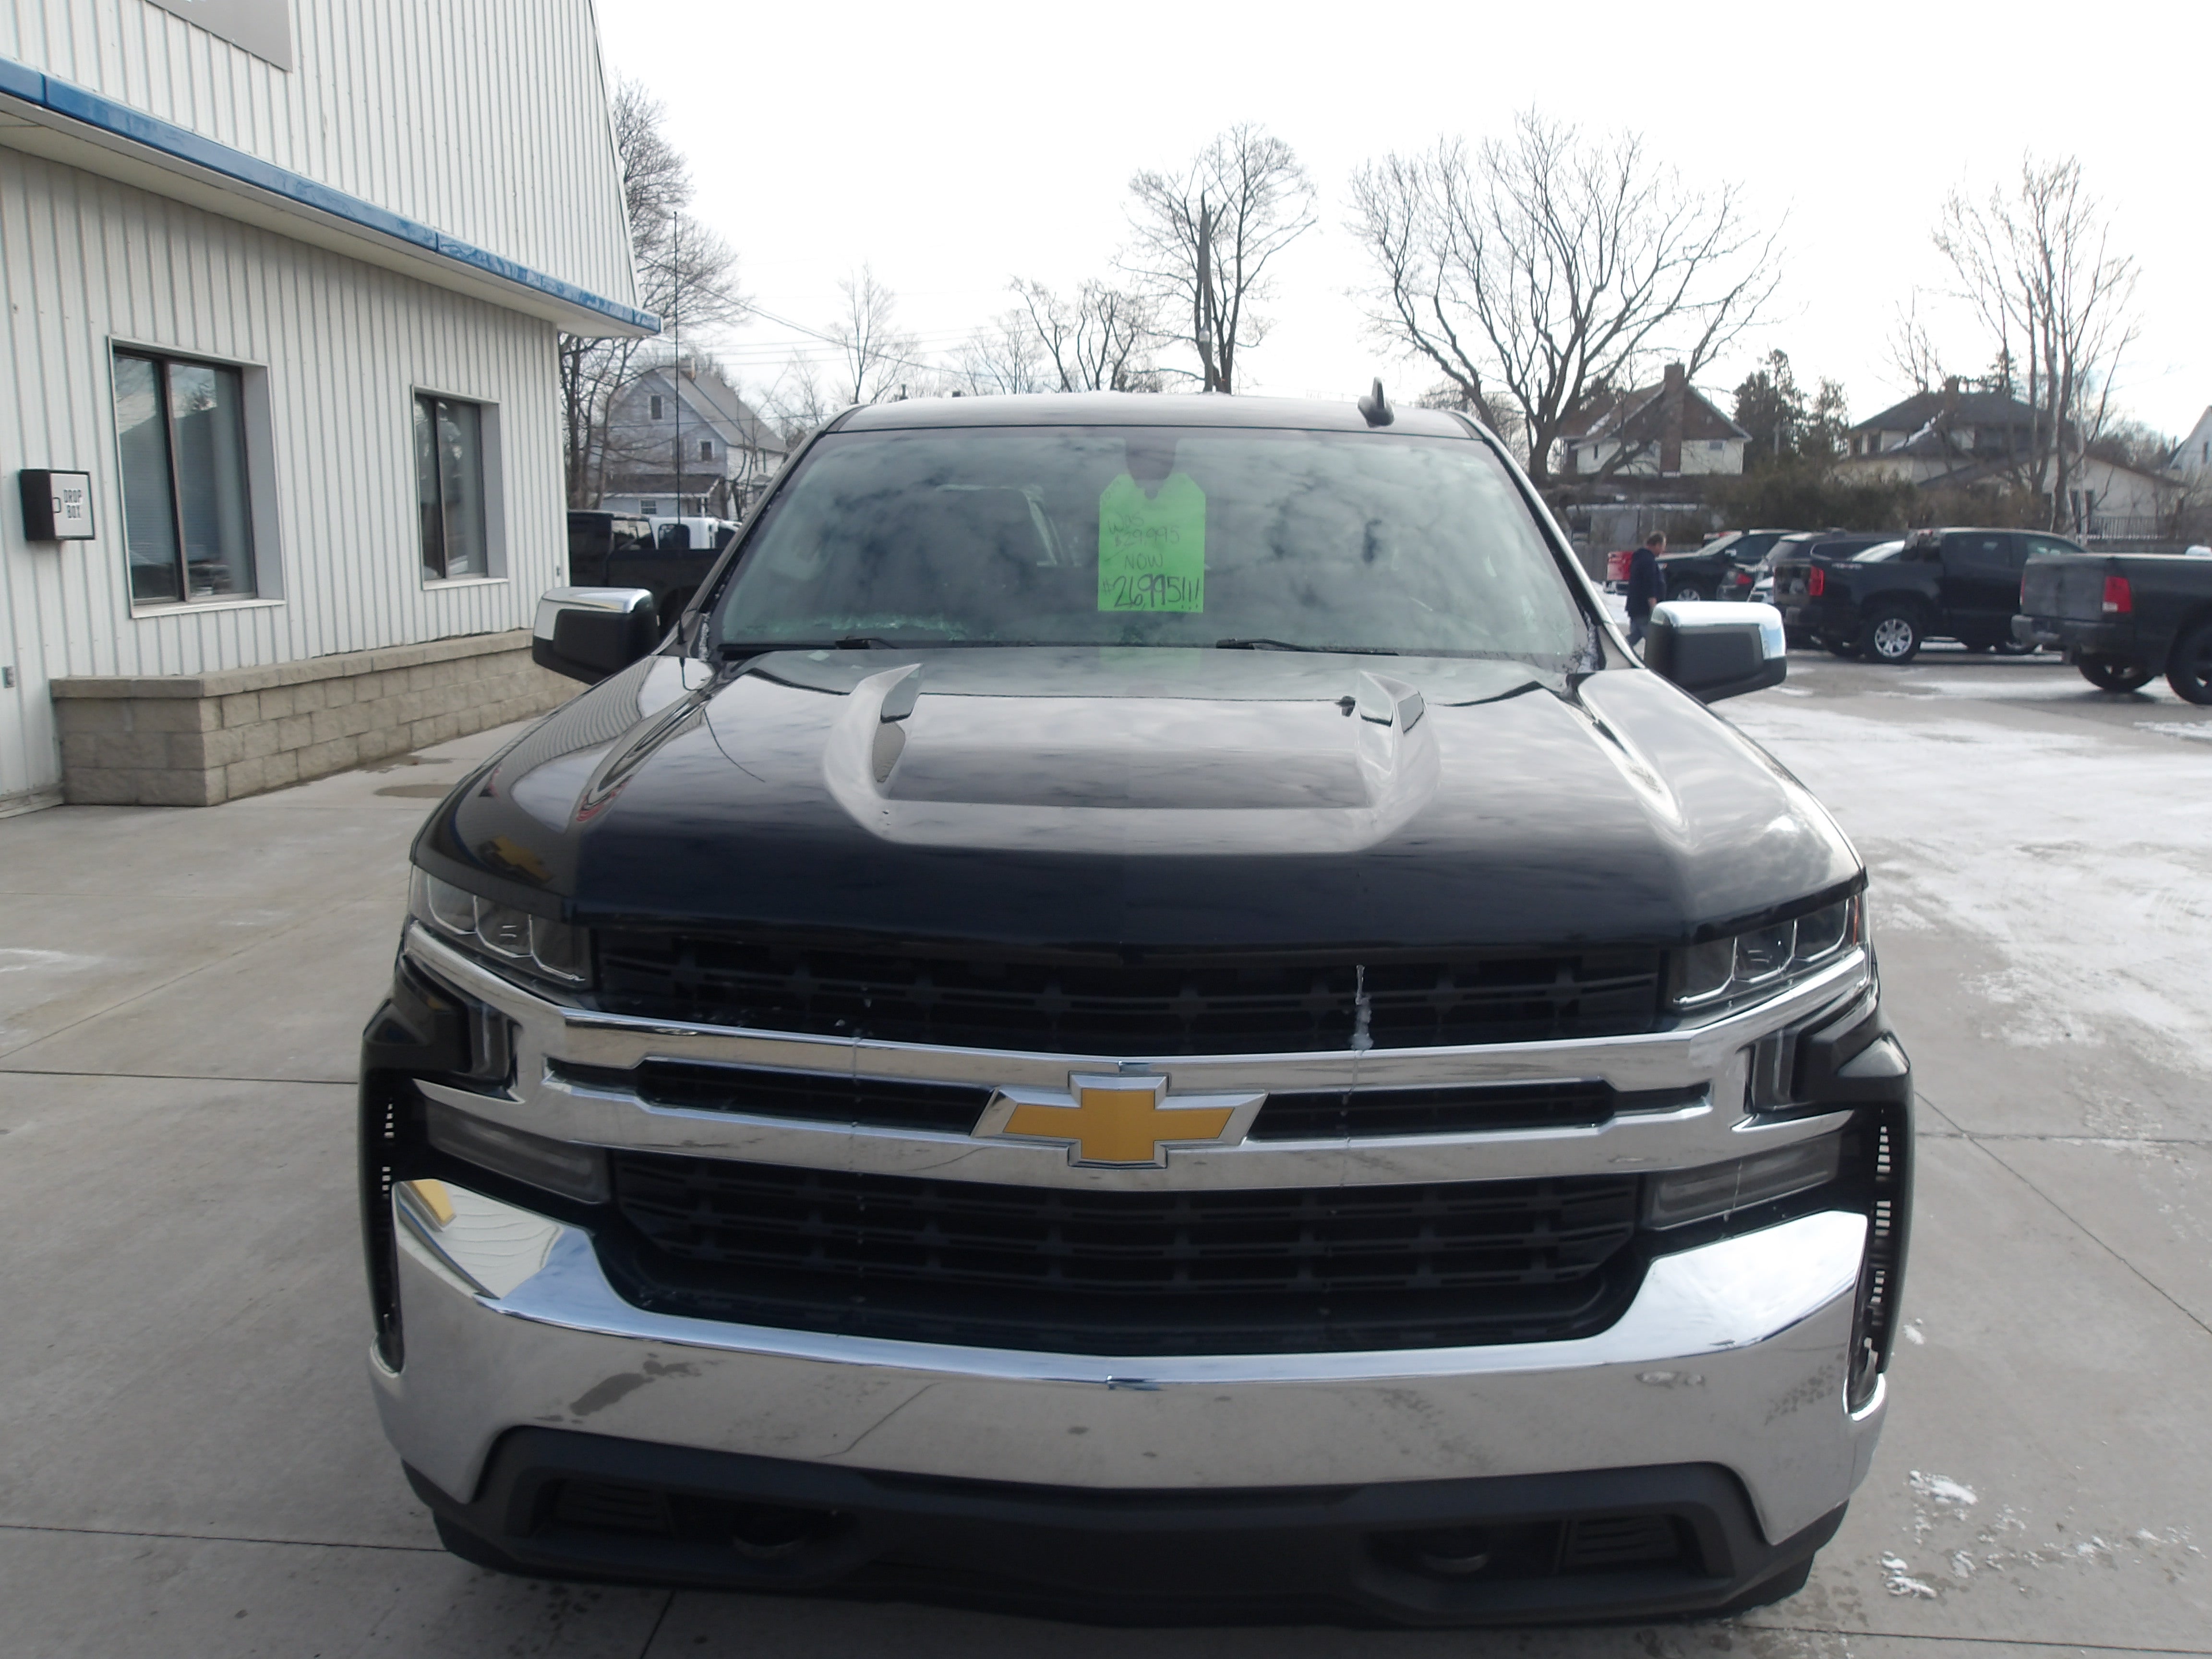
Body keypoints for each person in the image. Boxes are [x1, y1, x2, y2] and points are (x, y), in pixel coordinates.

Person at [1625, 532, 1665, 649]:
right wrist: (1653, 607)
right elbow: (1650, 585)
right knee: (1656, 642)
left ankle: (1619, 651)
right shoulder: (1648, 561)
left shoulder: (1639, 558)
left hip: (1635, 607)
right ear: (1657, 545)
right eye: (1663, 546)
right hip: (1644, 609)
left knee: (1635, 636)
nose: (1663, 550)